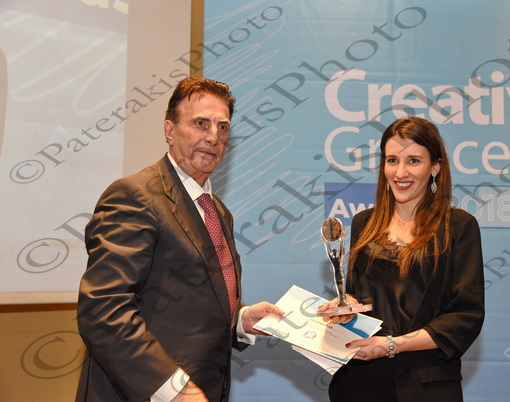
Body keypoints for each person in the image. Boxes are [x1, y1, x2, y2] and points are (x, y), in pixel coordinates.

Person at [76, 77, 284, 402]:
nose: (213, 137)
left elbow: (187, 306)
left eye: (223, 127)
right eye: (201, 123)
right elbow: (103, 309)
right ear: (170, 130)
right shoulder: (135, 196)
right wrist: (172, 389)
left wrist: (240, 320)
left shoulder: (217, 211)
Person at [319, 117, 485, 401]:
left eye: (414, 161)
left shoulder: (458, 227)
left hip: (426, 385)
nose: (400, 172)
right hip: (359, 382)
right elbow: (360, 296)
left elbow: (465, 317)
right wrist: (344, 307)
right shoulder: (364, 222)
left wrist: (392, 345)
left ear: (435, 167)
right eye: (392, 160)